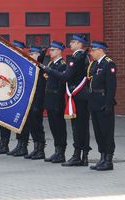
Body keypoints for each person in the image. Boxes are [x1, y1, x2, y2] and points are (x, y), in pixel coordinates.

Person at [44, 34, 91, 166]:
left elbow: (66, 76)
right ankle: (82, 156)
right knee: (81, 126)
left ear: (79, 44)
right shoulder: (82, 56)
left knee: (78, 126)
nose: (70, 44)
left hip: (78, 95)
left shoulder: (77, 57)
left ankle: (79, 155)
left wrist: (50, 70)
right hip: (80, 95)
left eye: (73, 42)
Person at [0, 40, 26, 155]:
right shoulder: (8, 61)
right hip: (5, 97)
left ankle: (21, 145)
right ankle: (3, 144)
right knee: (3, 119)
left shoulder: (24, 61)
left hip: (19, 98)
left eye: (16, 48)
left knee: (19, 122)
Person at [13, 45, 46, 159]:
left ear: (39, 55)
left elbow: (41, 88)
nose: (31, 56)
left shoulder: (41, 69)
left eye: (33, 54)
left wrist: (38, 103)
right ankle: (33, 148)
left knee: (37, 126)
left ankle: (40, 149)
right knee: (31, 125)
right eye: (30, 54)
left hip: (37, 102)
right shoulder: (29, 67)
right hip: (29, 102)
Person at [88, 41, 117, 171]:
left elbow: (111, 87)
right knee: (99, 132)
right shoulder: (95, 64)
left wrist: (108, 104)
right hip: (94, 102)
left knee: (107, 132)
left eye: (93, 50)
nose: (91, 53)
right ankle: (102, 157)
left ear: (100, 50)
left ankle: (108, 160)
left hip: (103, 102)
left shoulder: (108, 64)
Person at [43, 41, 68, 163]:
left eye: (53, 50)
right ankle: (57, 151)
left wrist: (58, 102)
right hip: (50, 99)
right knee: (53, 126)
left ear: (59, 51)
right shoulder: (52, 64)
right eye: (50, 49)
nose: (50, 51)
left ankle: (61, 152)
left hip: (57, 99)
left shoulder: (62, 65)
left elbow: (61, 85)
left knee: (59, 126)